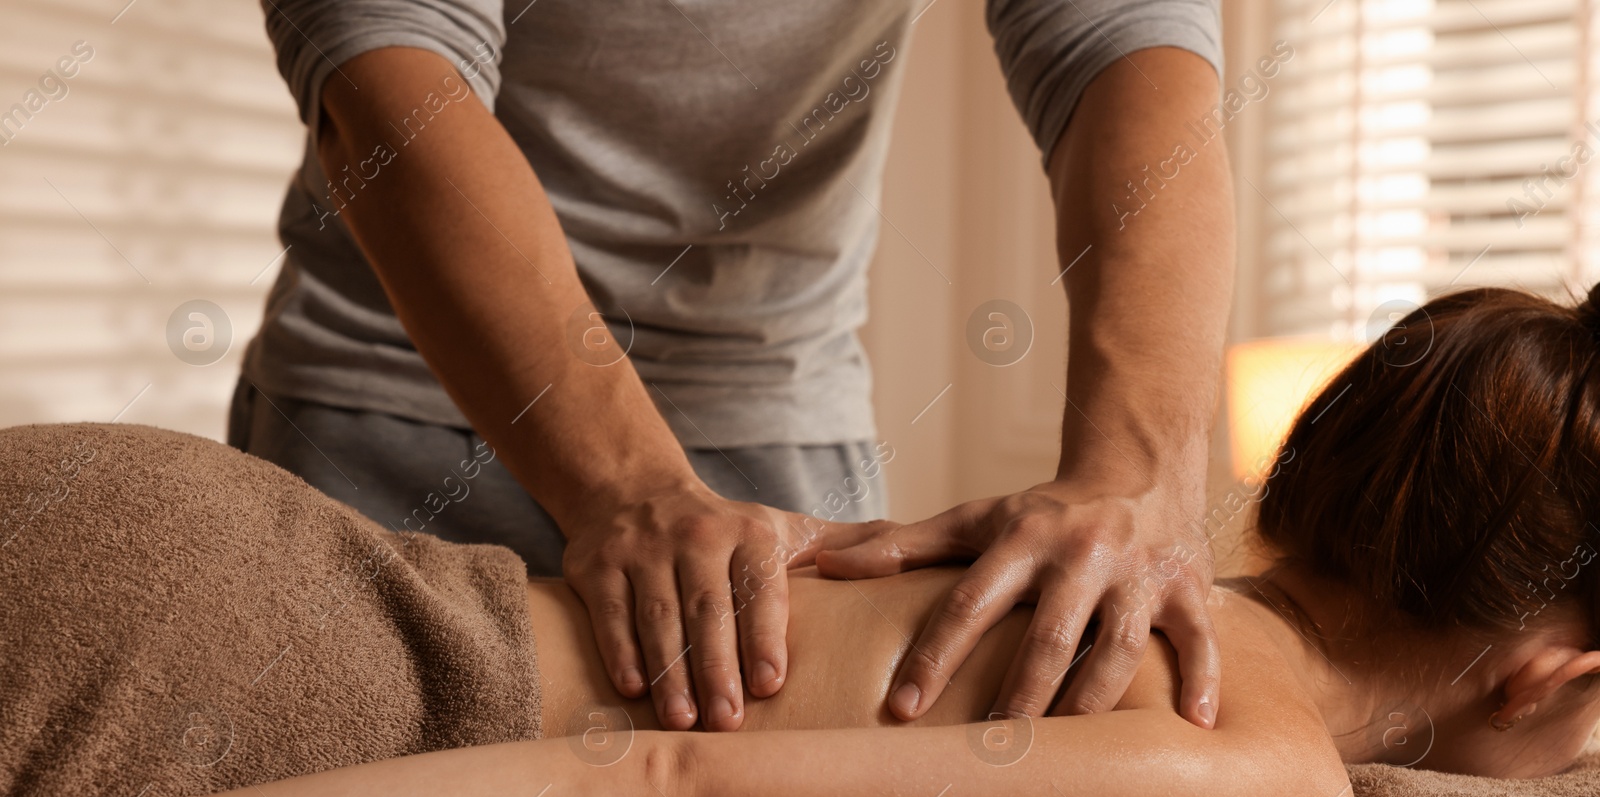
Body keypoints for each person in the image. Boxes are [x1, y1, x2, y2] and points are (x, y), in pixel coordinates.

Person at [8, 283, 1600, 797]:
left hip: (202, 535)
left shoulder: (1081, 571)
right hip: (240, 663)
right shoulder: (1258, 772)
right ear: (1547, 673)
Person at [231, 0, 1235, 736]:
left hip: (776, 423)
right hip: (394, 405)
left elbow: (1125, 45)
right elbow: (390, 75)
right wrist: (625, 483)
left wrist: (1136, 473)